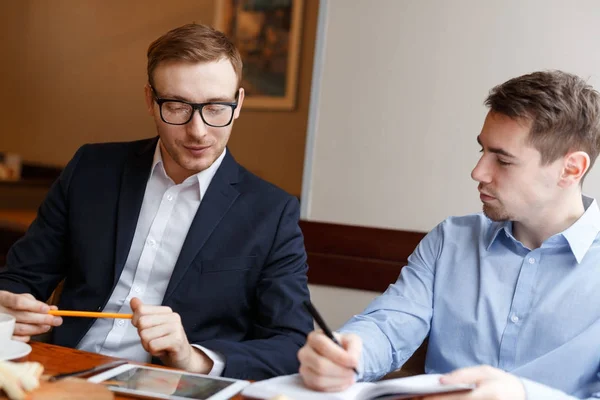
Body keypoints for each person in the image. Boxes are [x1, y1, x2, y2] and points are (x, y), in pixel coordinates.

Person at [0, 23, 312, 380]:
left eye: (215, 107)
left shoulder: (271, 212)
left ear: (238, 103)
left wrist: (194, 358)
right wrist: (9, 304)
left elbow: (292, 343)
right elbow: (22, 278)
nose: (198, 131)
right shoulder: (91, 170)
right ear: (150, 100)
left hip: (174, 385)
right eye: (178, 107)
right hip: (64, 371)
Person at [298, 70, 600, 399]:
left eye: (503, 160)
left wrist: (522, 394)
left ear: (571, 169)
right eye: (482, 150)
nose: (478, 172)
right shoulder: (450, 240)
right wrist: (350, 352)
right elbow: (390, 323)